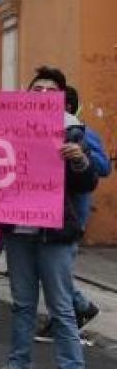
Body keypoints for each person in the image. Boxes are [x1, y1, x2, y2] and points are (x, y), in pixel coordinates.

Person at [0, 67, 97, 369]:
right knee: (22, 304)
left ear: (61, 98)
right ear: (26, 94)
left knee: (61, 308)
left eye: (52, 91)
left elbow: (87, 183)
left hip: (56, 234)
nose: (43, 95)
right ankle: (17, 366)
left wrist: (79, 161)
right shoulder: (4, 130)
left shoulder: (74, 132)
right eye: (38, 89)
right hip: (17, 232)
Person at [34, 85, 110, 343]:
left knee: (58, 272)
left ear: (66, 108)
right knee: (52, 272)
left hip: (71, 214)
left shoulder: (84, 133)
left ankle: (78, 310)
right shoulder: (39, 131)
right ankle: (69, 314)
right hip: (44, 215)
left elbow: (104, 167)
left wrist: (80, 154)